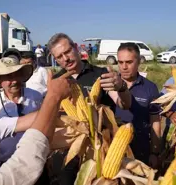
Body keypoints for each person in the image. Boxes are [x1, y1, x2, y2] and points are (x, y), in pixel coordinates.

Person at [48, 33, 132, 185]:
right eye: (59, 57)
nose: (65, 59)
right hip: (71, 148)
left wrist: (122, 87)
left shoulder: (100, 75)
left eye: (67, 52)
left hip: (99, 148)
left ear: (75, 47)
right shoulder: (56, 81)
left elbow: (123, 104)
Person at [0, 57, 44, 162]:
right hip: (6, 162)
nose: (14, 81)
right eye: (8, 77)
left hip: (35, 158)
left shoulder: (35, 97)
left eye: (17, 75)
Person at [115, 43, 161, 168]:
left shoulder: (150, 88)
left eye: (129, 62)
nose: (124, 67)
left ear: (139, 61)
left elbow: (155, 121)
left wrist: (155, 152)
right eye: (120, 62)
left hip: (141, 148)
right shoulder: (110, 86)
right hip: (113, 149)